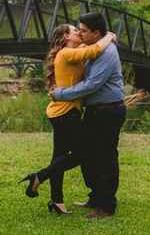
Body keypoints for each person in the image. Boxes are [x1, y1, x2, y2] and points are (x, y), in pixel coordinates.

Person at [19, 23, 115, 214]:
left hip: (62, 111)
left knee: (60, 157)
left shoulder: (73, 50)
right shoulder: (65, 53)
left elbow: (88, 49)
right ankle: (39, 176)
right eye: (74, 31)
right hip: (65, 113)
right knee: (84, 153)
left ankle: (56, 201)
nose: (79, 33)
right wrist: (109, 36)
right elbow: (95, 49)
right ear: (65, 36)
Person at [52, 12, 126, 219]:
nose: (80, 34)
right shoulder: (94, 48)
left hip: (109, 111)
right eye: (79, 30)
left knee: (105, 157)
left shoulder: (108, 52)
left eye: (84, 31)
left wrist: (61, 94)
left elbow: (92, 85)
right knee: (88, 156)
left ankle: (106, 206)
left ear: (96, 33)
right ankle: (95, 197)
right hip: (95, 110)